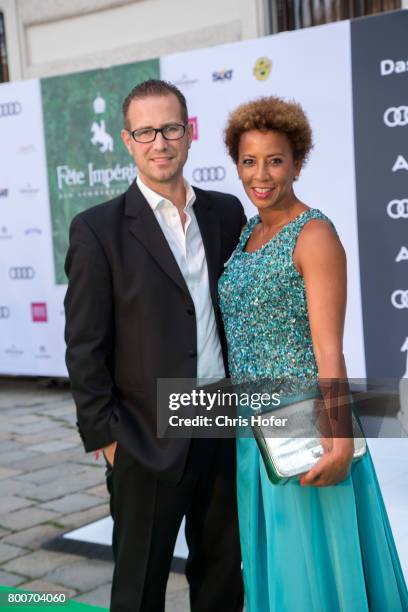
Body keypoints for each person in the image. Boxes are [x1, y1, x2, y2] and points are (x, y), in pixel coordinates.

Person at [218, 96, 408, 611]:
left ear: (297, 162)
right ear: (236, 163)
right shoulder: (247, 234)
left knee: (313, 570)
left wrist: (340, 441)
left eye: (275, 160)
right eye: (249, 160)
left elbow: (330, 349)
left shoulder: (315, 234)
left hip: (304, 426)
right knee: (273, 566)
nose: (261, 174)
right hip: (250, 430)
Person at [64, 79, 245, 612]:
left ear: (189, 134)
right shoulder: (97, 230)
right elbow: (84, 344)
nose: (159, 142)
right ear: (127, 140)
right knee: (139, 587)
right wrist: (110, 439)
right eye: (146, 131)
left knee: (221, 578)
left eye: (170, 128)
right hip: (145, 435)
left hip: (218, 418)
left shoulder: (225, 213)